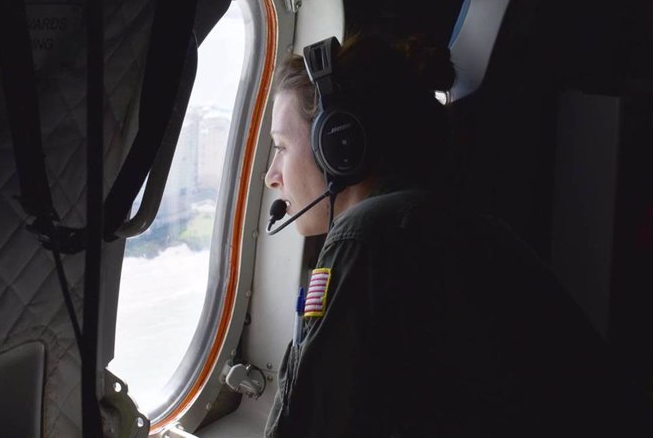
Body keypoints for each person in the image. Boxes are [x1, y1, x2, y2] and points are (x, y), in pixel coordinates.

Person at [262, 33, 653, 438]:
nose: (272, 176)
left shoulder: (369, 237)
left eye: (281, 147)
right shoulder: (430, 218)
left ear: (337, 143)